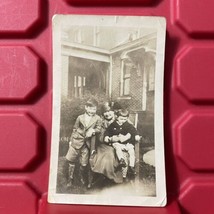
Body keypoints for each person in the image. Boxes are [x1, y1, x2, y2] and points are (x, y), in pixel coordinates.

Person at [65, 98, 102, 187]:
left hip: (87, 144)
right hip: (76, 142)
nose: (93, 111)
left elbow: (99, 128)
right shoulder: (80, 117)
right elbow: (74, 129)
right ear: (86, 107)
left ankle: (82, 177)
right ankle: (70, 179)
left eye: (95, 109)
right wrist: (71, 140)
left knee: (84, 163)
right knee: (71, 160)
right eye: (92, 109)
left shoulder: (97, 118)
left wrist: (93, 130)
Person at [89, 102, 124, 184]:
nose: (107, 114)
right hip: (104, 145)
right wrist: (109, 139)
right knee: (108, 154)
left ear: (113, 111)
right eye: (105, 112)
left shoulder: (120, 119)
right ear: (102, 113)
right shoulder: (101, 122)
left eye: (109, 111)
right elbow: (100, 138)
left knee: (113, 153)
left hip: (119, 144)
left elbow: (130, 128)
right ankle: (109, 177)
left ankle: (111, 178)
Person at [104, 109, 140, 181]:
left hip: (127, 143)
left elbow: (134, 131)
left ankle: (131, 167)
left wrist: (136, 135)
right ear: (117, 117)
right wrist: (107, 137)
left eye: (125, 119)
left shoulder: (128, 125)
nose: (123, 121)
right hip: (118, 143)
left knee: (131, 151)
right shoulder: (113, 125)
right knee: (117, 147)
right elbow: (108, 131)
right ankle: (121, 160)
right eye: (121, 119)